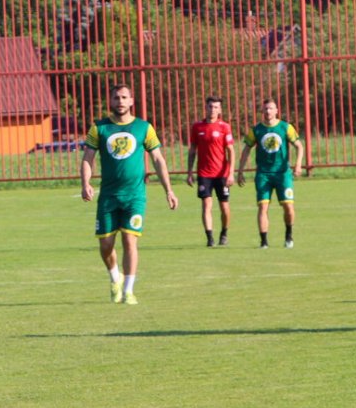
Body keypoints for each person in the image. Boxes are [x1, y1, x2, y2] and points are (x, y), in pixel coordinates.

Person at [80, 83, 179, 304]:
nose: (120, 101)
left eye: (124, 97)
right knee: (105, 245)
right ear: (111, 102)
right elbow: (88, 158)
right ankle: (115, 277)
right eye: (116, 98)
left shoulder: (144, 127)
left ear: (132, 101)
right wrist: (85, 183)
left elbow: (158, 159)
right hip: (108, 196)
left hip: (135, 196)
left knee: (129, 240)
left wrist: (169, 190)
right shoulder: (100, 128)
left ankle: (128, 290)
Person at [235, 99, 305, 249]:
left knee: (288, 207)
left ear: (276, 111)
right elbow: (246, 149)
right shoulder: (256, 130)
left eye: (271, 109)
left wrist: (298, 164)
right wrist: (240, 171)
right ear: (262, 112)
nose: (268, 112)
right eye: (265, 109)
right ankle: (264, 241)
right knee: (263, 207)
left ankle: (288, 235)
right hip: (263, 174)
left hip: (283, 174)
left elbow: (299, 146)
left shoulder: (286, 127)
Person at [185, 95, 235, 246]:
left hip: (222, 174)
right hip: (204, 174)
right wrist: (189, 172)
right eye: (210, 106)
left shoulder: (224, 127)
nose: (212, 110)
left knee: (224, 207)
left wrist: (231, 173)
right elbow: (193, 150)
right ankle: (210, 238)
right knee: (206, 205)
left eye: (215, 107)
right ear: (205, 108)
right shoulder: (197, 127)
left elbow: (231, 151)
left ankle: (224, 232)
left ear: (220, 109)